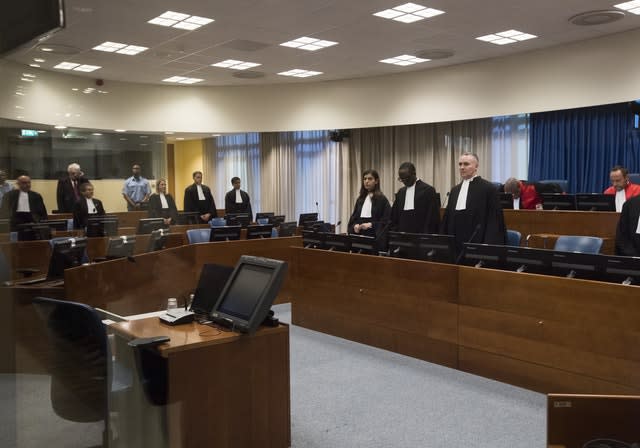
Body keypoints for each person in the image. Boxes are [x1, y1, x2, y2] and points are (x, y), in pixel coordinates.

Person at [441, 152, 506, 251]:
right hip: (455, 245)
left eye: (466, 164)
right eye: (460, 164)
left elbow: (494, 222)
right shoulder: (455, 190)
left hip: (478, 244)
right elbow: (447, 220)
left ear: (476, 166)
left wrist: (488, 249)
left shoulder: (488, 189)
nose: (462, 167)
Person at [390, 162, 440, 234]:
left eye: (406, 178)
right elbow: (395, 216)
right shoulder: (401, 192)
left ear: (414, 174)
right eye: (401, 179)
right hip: (402, 236)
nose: (404, 181)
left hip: (421, 235)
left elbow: (432, 218)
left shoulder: (428, 190)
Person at [347, 169, 391, 238]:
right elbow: (354, 219)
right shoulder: (360, 199)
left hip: (374, 237)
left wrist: (371, 225)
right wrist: (355, 226)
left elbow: (386, 222)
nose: (366, 181)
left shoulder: (382, 200)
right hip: (359, 236)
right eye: (365, 179)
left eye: (370, 179)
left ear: (376, 181)